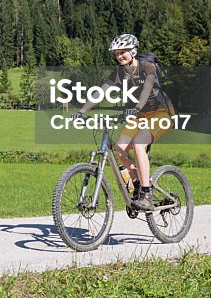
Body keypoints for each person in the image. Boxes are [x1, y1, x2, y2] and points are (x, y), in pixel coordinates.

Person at [72, 33, 175, 210]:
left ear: (133, 51)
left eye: (123, 52)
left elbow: (146, 89)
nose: (119, 56)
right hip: (139, 116)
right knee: (120, 150)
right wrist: (81, 111)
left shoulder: (148, 67)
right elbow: (100, 92)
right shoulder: (119, 72)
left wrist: (135, 108)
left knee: (138, 144)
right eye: (117, 53)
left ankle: (147, 193)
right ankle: (137, 183)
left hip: (161, 113)